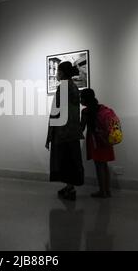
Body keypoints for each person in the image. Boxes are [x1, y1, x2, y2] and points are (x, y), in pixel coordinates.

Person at [46, 61, 84, 201]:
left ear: (61, 73)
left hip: (64, 131)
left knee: (66, 159)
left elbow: (57, 111)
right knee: (71, 158)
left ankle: (71, 188)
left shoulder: (64, 87)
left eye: (58, 71)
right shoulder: (73, 86)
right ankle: (69, 186)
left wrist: (51, 132)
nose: (56, 74)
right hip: (72, 130)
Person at [80, 88, 115, 198]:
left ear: (85, 99)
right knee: (104, 165)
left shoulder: (85, 112)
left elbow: (81, 128)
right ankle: (107, 190)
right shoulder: (102, 108)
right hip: (106, 139)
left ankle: (102, 191)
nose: (80, 100)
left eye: (81, 97)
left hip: (95, 140)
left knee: (98, 165)